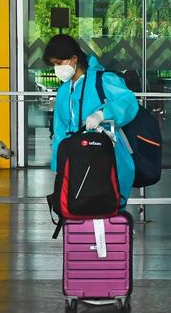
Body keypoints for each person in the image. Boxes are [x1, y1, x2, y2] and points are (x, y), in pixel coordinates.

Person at [45, 34, 139, 204]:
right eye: (54, 64)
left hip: (107, 157)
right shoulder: (63, 92)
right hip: (75, 161)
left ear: (74, 59)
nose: (56, 68)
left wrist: (103, 113)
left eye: (58, 63)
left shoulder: (103, 80)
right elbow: (60, 131)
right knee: (78, 208)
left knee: (109, 205)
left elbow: (128, 103)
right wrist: (58, 166)